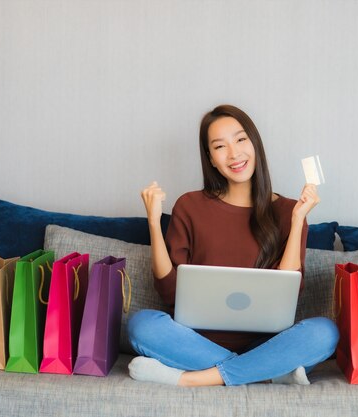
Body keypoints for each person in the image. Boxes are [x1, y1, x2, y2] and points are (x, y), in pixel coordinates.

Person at [127, 104, 339, 387]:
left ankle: (191, 380)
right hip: (196, 342)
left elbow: (290, 290)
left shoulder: (290, 210)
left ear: (255, 144)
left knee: (325, 332)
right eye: (219, 146)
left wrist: (298, 220)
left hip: (269, 344)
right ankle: (267, 374)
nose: (234, 154)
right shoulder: (190, 205)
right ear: (211, 159)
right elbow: (168, 292)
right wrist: (154, 223)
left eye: (240, 140)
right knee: (141, 326)